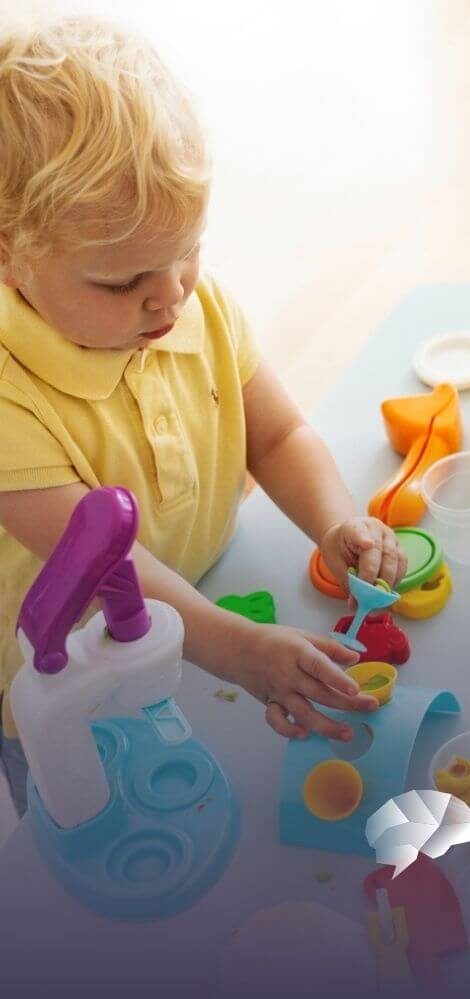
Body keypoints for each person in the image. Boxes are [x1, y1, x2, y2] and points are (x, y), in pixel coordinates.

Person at [0, 18, 402, 815]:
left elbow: (278, 433)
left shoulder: (188, 303)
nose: (171, 295)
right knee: (96, 844)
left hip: (207, 606)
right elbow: (105, 567)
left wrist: (334, 522)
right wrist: (241, 649)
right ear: (9, 252)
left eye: (188, 250)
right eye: (121, 283)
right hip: (70, 683)